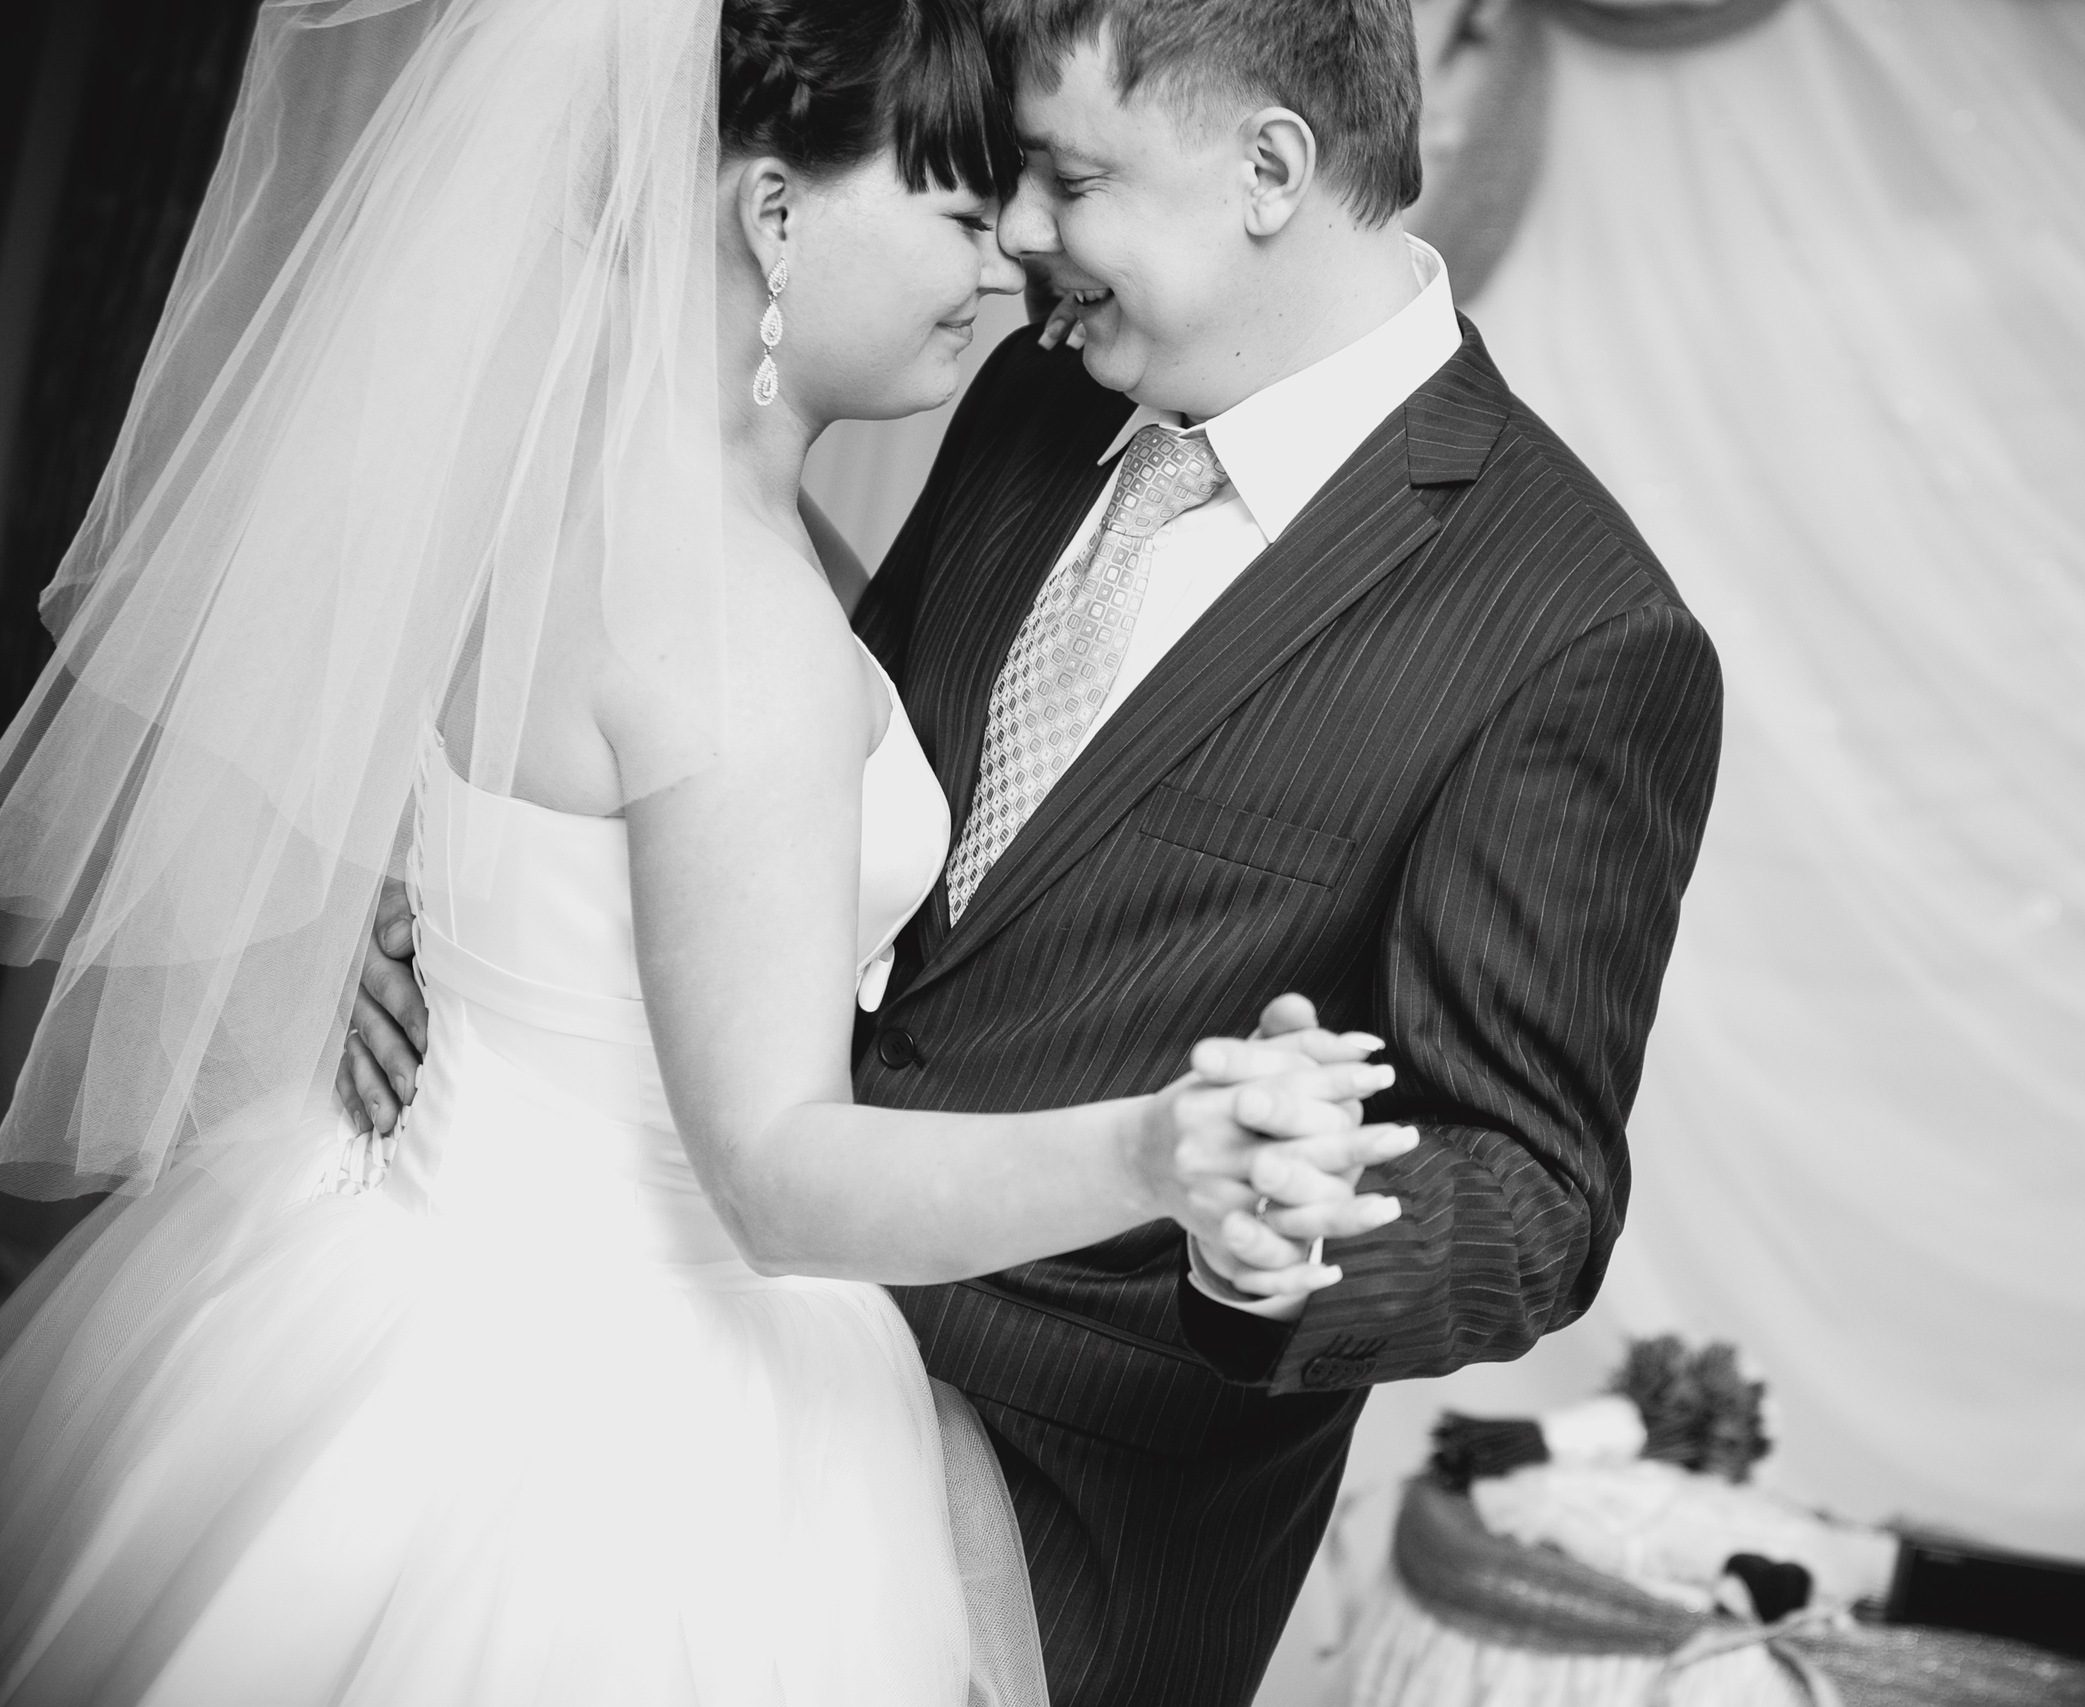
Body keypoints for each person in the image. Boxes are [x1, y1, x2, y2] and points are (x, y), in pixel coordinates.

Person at [0, 1, 1412, 1702]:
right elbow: (772, 1173)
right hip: (598, 1403)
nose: (1007, 268)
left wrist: (390, 902)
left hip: (349, 1274)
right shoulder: (742, 627)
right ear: (774, 214)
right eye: (961, 213)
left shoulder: (563, 499)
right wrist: (1156, 1151)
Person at [338, 1, 1725, 1701]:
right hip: (676, 1355)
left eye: (1069, 177)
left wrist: (1283, 1230)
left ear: (1269, 169)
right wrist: (487, 904)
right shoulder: (1032, 398)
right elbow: (809, 762)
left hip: (1070, 1508)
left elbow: (1536, 1195)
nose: (1016, 232)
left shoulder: (1573, 623)